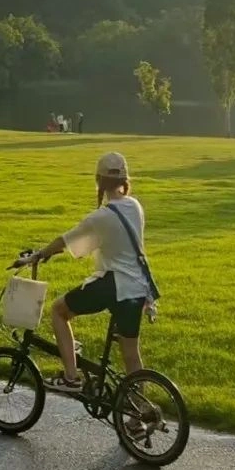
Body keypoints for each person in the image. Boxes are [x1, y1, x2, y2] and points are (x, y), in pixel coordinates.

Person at [29, 151, 155, 393]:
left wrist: (40, 254)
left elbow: (65, 241)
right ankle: (139, 415)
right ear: (125, 181)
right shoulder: (135, 206)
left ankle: (71, 377)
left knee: (58, 311)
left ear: (99, 181)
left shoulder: (102, 217)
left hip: (114, 285)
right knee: (131, 355)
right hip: (138, 288)